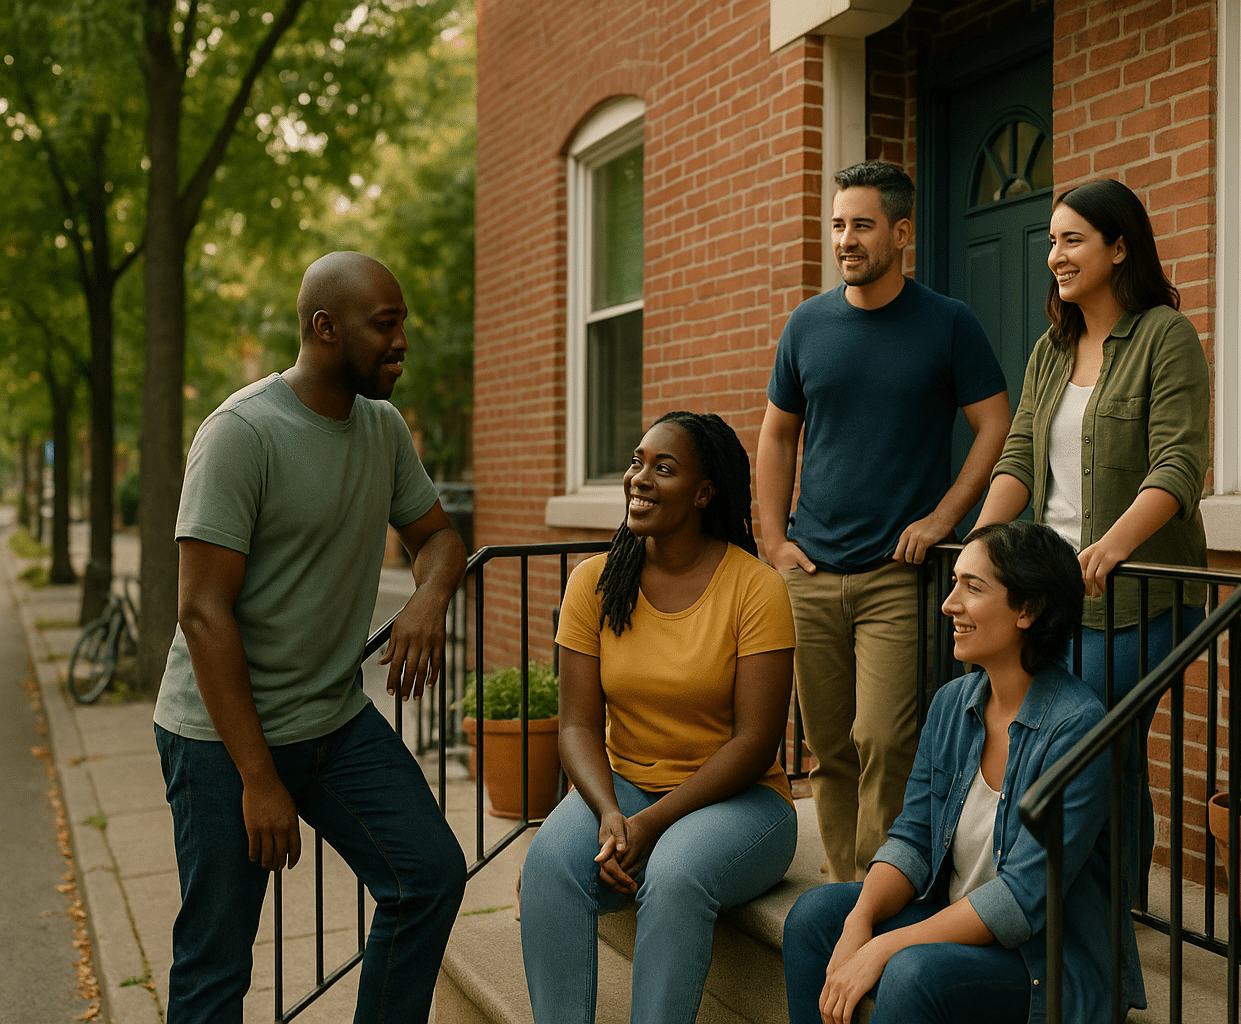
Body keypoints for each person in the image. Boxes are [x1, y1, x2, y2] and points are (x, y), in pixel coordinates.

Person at [152, 251, 469, 1023]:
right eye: (385, 325)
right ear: (326, 329)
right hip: (222, 741)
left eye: (403, 325)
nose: (401, 343)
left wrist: (430, 597)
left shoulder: (383, 428)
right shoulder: (241, 433)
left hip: (333, 722)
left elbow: (438, 537)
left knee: (427, 874)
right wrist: (259, 779)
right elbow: (202, 612)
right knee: (217, 964)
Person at [757, 160, 1012, 882]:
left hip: (894, 577)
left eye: (862, 225)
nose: (846, 239)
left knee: (887, 737)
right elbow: (776, 436)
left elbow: (995, 425)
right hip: (811, 572)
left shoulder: (948, 323)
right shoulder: (806, 324)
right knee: (830, 745)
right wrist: (774, 541)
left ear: (901, 232)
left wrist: (943, 517)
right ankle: (846, 885)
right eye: (838, 224)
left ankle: (883, 885)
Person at [782, 522, 1146, 1024]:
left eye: (972, 588)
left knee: (912, 971)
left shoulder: (1078, 732)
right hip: (957, 919)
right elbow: (912, 837)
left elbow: (1020, 899)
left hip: (1043, 959)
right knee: (814, 918)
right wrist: (859, 923)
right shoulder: (954, 704)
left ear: (1028, 610)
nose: (949, 603)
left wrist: (884, 947)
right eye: (954, 583)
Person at [519, 411, 798, 1024]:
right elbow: (577, 727)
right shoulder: (593, 583)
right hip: (624, 785)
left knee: (671, 876)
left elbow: (755, 742)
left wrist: (650, 824)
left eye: (663, 468)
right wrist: (613, 813)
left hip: (742, 801)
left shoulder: (755, 588)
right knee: (547, 867)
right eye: (637, 462)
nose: (639, 479)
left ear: (704, 493)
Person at [975, 177, 1210, 897]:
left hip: (1135, 599)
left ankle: (1107, 927)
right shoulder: (1053, 348)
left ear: (1118, 247)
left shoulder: (1165, 336)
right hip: (1053, 594)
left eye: (1072, 239)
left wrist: (1112, 545)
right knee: (1058, 755)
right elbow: (1019, 455)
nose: (1055, 255)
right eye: (1051, 240)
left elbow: (1179, 461)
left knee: (1100, 756)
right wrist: (983, 542)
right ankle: (1062, 914)